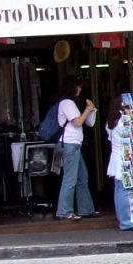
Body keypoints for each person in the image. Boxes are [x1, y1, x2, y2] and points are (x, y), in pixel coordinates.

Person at [55, 75, 98, 220]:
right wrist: (87, 110)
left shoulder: (70, 103)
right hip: (69, 144)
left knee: (82, 177)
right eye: (78, 86)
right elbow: (78, 122)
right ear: (72, 88)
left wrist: (91, 111)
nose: (80, 88)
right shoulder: (67, 103)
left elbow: (88, 123)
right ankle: (64, 211)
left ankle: (86, 209)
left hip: (74, 145)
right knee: (70, 178)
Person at [105, 94, 133, 231]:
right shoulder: (122, 122)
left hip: (116, 156)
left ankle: (125, 220)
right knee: (124, 190)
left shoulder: (111, 123)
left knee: (120, 189)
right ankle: (126, 222)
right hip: (123, 157)